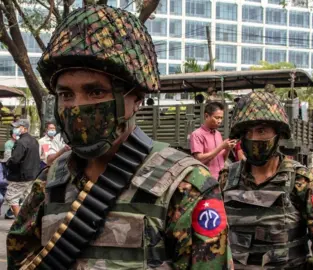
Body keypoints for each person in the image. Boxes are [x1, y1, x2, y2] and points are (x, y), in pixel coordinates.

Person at [7, 5, 232, 270]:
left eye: (95, 92)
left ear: (136, 97)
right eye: (66, 94)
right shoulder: (51, 181)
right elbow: (20, 258)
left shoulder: (187, 187)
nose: (77, 107)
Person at [220, 91, 313, 269]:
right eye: (248, 132)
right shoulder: (226, 179)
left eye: (262, 131)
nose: (254, 138)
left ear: (278, 134)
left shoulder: (300, 180)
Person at [190, 102, 236, 179]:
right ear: (206, 116)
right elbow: (199, 159)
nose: (220, 121)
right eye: (217, 117)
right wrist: (221, 147)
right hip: (206, 179)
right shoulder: (197, 134)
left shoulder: (218, 134)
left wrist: (227, 149)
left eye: (221, 118)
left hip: (221, 178)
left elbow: (222, 160)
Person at [5, 119, 40, 217]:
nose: (14, 129)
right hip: (32, 175)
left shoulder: (21, 142)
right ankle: (28, 223)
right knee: (26, 200)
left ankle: (19, 223)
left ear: (24, 128)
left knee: (11, 197)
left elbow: (15, 160)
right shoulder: (34, 141)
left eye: (17, 127)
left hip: (21, 176)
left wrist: (8, 164)